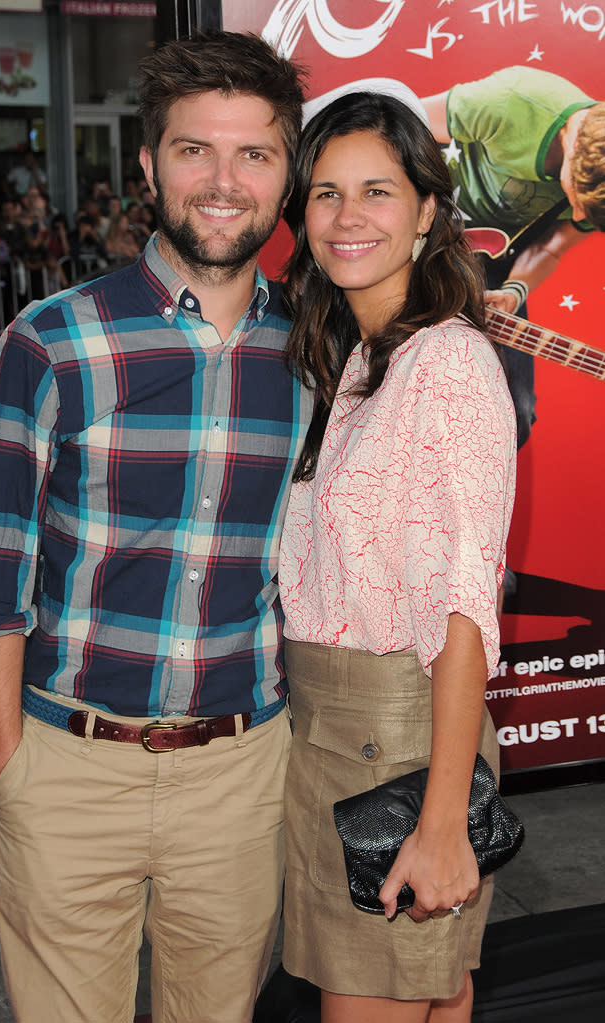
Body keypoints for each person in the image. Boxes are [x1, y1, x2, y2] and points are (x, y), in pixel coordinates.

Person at [0, 29, 311, 1023]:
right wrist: (8, 763)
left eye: (255, 153)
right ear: (149, 167)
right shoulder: (54, 339)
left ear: (286, 176)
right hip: (66, 766)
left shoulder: (316, 354)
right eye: (195, 149)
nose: (224, 182)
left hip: (241, 777)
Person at [278, 92, 516, 1022]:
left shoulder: (446, 364)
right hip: (338, 735)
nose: (346, 217)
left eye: (377, 190)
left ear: (426, 209)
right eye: (326, 193)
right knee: (435, 995)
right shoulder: (361, 358)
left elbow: (463, 607)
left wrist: (445, 821)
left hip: (397, 742)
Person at [421, 66, 605, 449]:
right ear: (575, 149)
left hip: (495, 270)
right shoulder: (512, 101)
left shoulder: (597, 188)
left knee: (515, 413)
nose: (580, 217)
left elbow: (548, 246)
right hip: (421, 242)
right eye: (581, 201)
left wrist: (515, 292)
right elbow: (396, 133)